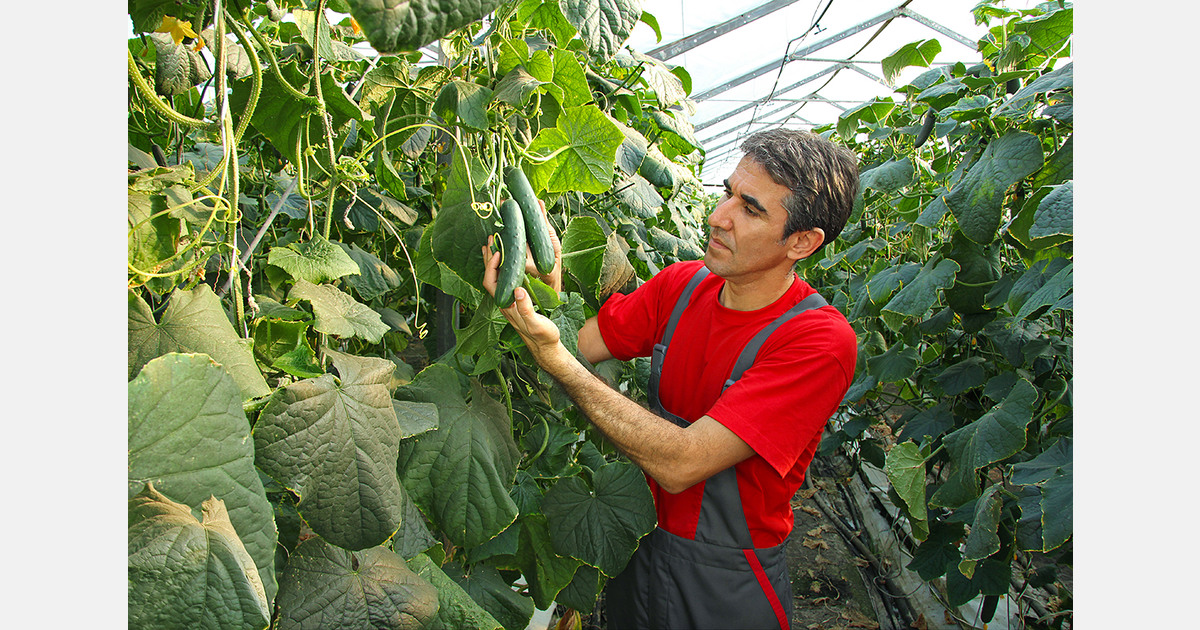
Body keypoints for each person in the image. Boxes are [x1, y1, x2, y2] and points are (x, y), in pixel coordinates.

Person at [482, 128, 861, 630]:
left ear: (803, 242)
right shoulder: (681, 286)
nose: (718, 216)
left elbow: (684, 463)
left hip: (724, 580)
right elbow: (583, 344)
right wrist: (544, 287)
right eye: (727, 192)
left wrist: (555, 359)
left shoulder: (818, 341)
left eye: (750, 209)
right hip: (639, 549)